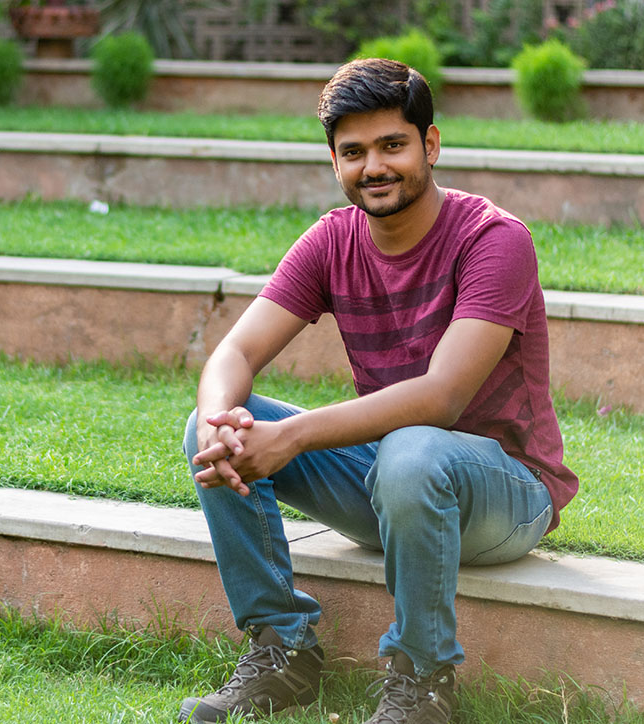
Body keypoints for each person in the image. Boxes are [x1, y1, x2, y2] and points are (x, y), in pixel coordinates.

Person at [179, 57, 579, 724]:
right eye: (354, 152)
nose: (374, 167)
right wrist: (221, 418)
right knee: (210, 427)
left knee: (414, 449)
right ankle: (283, 650)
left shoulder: (493, 239)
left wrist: (295, 435)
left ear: (431, 143)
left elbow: (442, 397)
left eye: (393, 144)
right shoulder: (332, 241)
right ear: (333, 161)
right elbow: (236, 351)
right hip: (397, 482)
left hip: (506, 492)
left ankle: (422, 682)